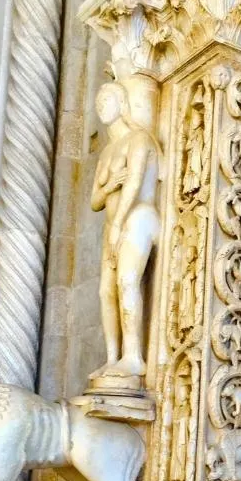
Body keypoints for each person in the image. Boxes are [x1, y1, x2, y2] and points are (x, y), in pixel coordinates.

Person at [90, 81, 162, 379]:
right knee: (105, 290)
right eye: (98, 102)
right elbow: (95, 199)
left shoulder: (140, 139)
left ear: (122, 102)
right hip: (113, 225)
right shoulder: (108, 152)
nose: (101, 105)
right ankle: (112, 358)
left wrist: (119, 222)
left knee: (127, 280)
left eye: (106, 99)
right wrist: (110, 184)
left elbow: (134, 182)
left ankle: (134, 356)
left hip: (138, 217)